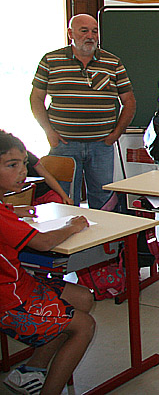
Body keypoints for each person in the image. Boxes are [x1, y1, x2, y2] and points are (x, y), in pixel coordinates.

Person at [0, 131, 96, 395]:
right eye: (12, 165)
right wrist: (71, 226)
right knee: (85, 326)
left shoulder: (3, 209)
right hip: (10, 301)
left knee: (82, 298)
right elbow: (42, 243)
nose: (23, 171)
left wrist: (13, 211)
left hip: (16, 285)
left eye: (23, 163)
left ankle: (32, 370)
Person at [30, 14, 136, 209]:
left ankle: (103, 240)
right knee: (64, 199)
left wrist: (115, 135)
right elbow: (36, 99)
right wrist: (49, 132)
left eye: (94, 31)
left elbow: (129, 101)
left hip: (101, 146)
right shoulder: (51, 60)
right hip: (64, 145)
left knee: (103, 199)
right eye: (84, 30)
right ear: (70, 33)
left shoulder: (112, 62)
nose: (90, 36)